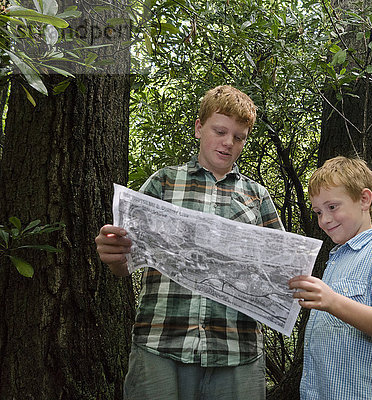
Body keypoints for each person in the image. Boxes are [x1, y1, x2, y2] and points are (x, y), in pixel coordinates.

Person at [95, 85, 284, 400]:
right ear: (199, 128)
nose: (228, 142)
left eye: (238, 137)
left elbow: (278, 274)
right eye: (220, 131)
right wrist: (113, 254)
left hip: (237, 349)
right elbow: (124, 265)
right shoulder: (163, 183)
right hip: (161, 343)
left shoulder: (257, 197)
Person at [288, 156, 372, 400]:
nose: (324, 220)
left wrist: (332, 301)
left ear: (364, 199)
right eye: (318, 212)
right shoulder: (334, 262)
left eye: (332, 207)